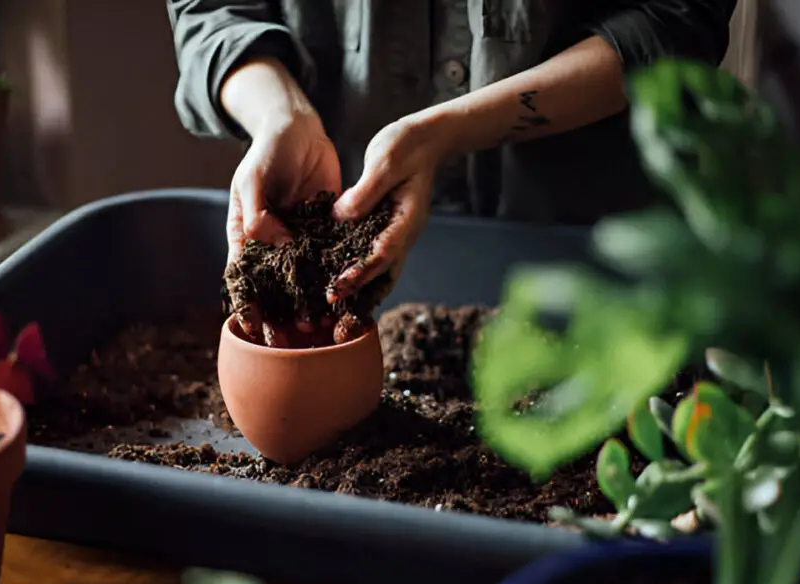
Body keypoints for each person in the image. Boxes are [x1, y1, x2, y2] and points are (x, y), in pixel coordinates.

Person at [167, 0, 737, 343]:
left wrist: (446, 132)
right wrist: (277, 114)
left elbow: (676, 18)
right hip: (342, 193)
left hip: (590, 253)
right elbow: (213, 7)